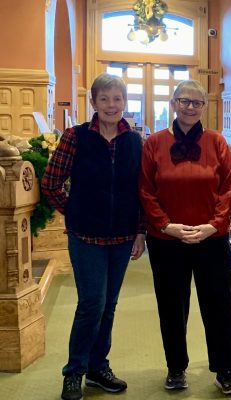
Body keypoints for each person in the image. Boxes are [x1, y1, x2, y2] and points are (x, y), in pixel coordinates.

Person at [41, 73, 146, 400]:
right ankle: (74, 372)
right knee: (91, 304)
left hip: (122, 236)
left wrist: (140, 231)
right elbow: (51, 183)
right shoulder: (75, 137)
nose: (112, 105)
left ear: (124, 102)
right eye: (105, 99)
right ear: (95, 103)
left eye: (117, 99)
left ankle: (99, 368)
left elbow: (140, 191)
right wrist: (72, 213)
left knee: (110, 305)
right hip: (86, 237)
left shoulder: (134, 140)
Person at [138, 80, 231, 395]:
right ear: (173, 103)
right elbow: (145, 189)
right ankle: (176, 368)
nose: (190, 107)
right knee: (171, 306)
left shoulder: (217, 142)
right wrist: (166, 225)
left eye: (196, 102)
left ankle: (225, 369)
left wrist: (214, 225)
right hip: (167, 240)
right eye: (184, 101)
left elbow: (228, 186)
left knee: (218, 304)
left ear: (204, 107)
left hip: (210, 238)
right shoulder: (154, 143)